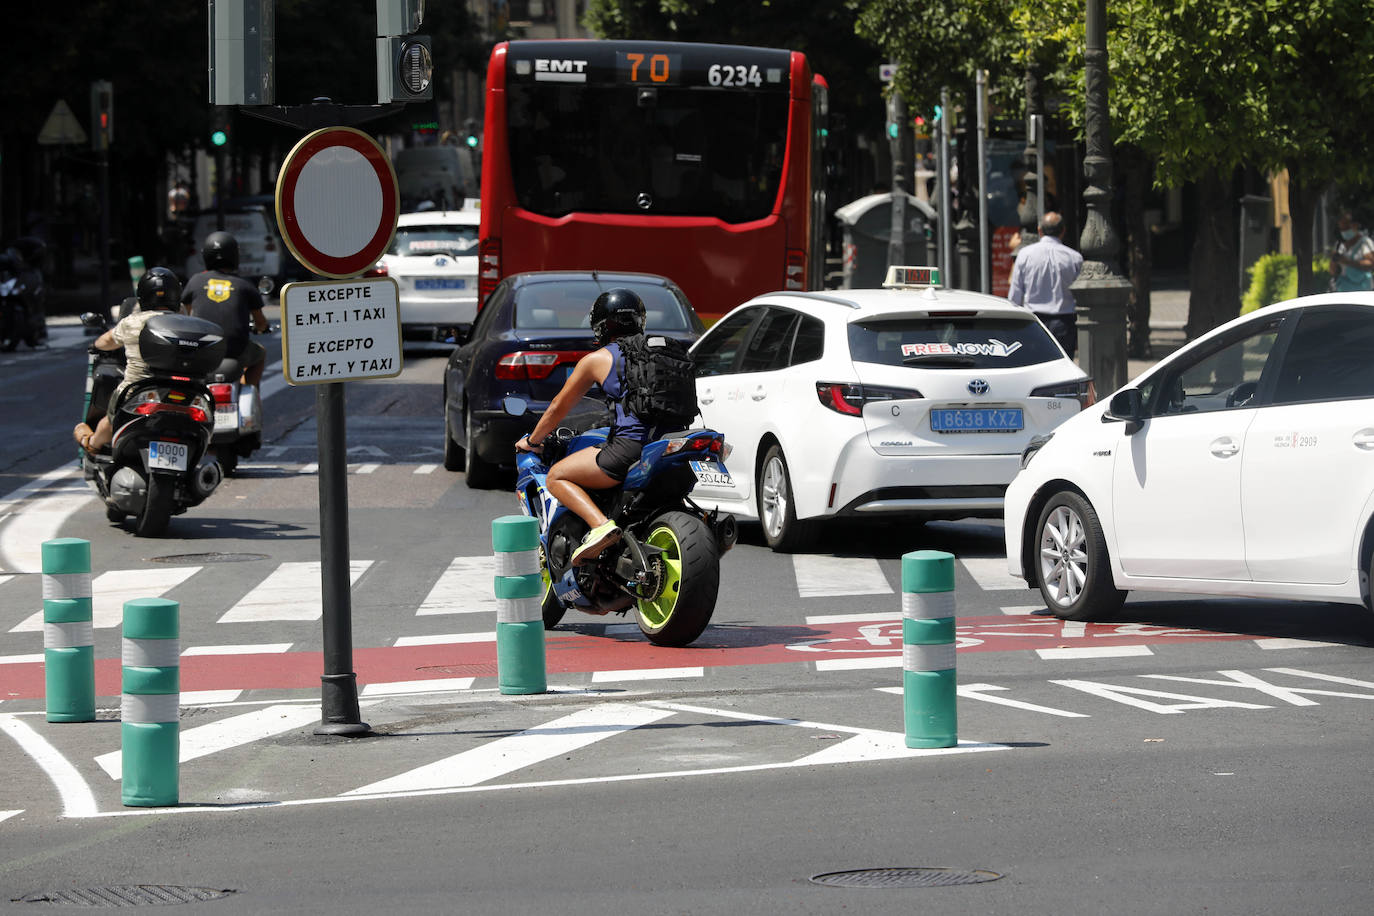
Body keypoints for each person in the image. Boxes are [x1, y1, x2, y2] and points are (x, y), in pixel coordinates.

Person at [515, 288, 652, 566]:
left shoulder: (598, 359)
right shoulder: (664, 353)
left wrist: (533, 440)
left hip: (631, 448)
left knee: (556, 476)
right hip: (671, 443)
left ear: (601, 326)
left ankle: (601, 525)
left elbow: (558, 408)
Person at [73, 267, 182, 454]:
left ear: (143, 295)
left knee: (112, 417)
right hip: (181, 391)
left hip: (138, 390)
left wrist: (95, 346)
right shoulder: (186, 322)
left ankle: (93, 444)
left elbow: (106, 341)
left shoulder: (132, 322)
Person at [181, 231, 269, 386]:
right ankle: (249, 390)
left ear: (206, 255)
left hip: (201, 349)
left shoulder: (195, 281)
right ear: (235, 255)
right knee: (260, 354)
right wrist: (261, 328)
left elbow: (184, 315)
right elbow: (260, 323)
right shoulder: (244, 285)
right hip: (236, 352)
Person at [1007, 211, 1084, 358]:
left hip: (1034, 322)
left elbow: (1015, 294)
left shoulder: (1025, 254)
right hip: (1065, 322)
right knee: (1063, 367)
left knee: (1035, 364)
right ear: (1063, 231)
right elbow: (1080, 296)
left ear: (1039, 230)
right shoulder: (1075, 258)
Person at [1329, 211, 1374, 292]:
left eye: (1347, 228)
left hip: (1363, 289)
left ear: (1355, 225)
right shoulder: (1339, 245)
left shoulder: (1365, 242)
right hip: (1344, 289)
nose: (1345, 232)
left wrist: (1348, 262)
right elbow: (1332, 271)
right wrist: (1334, 260)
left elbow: (1371, 263)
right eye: (1342, 229)